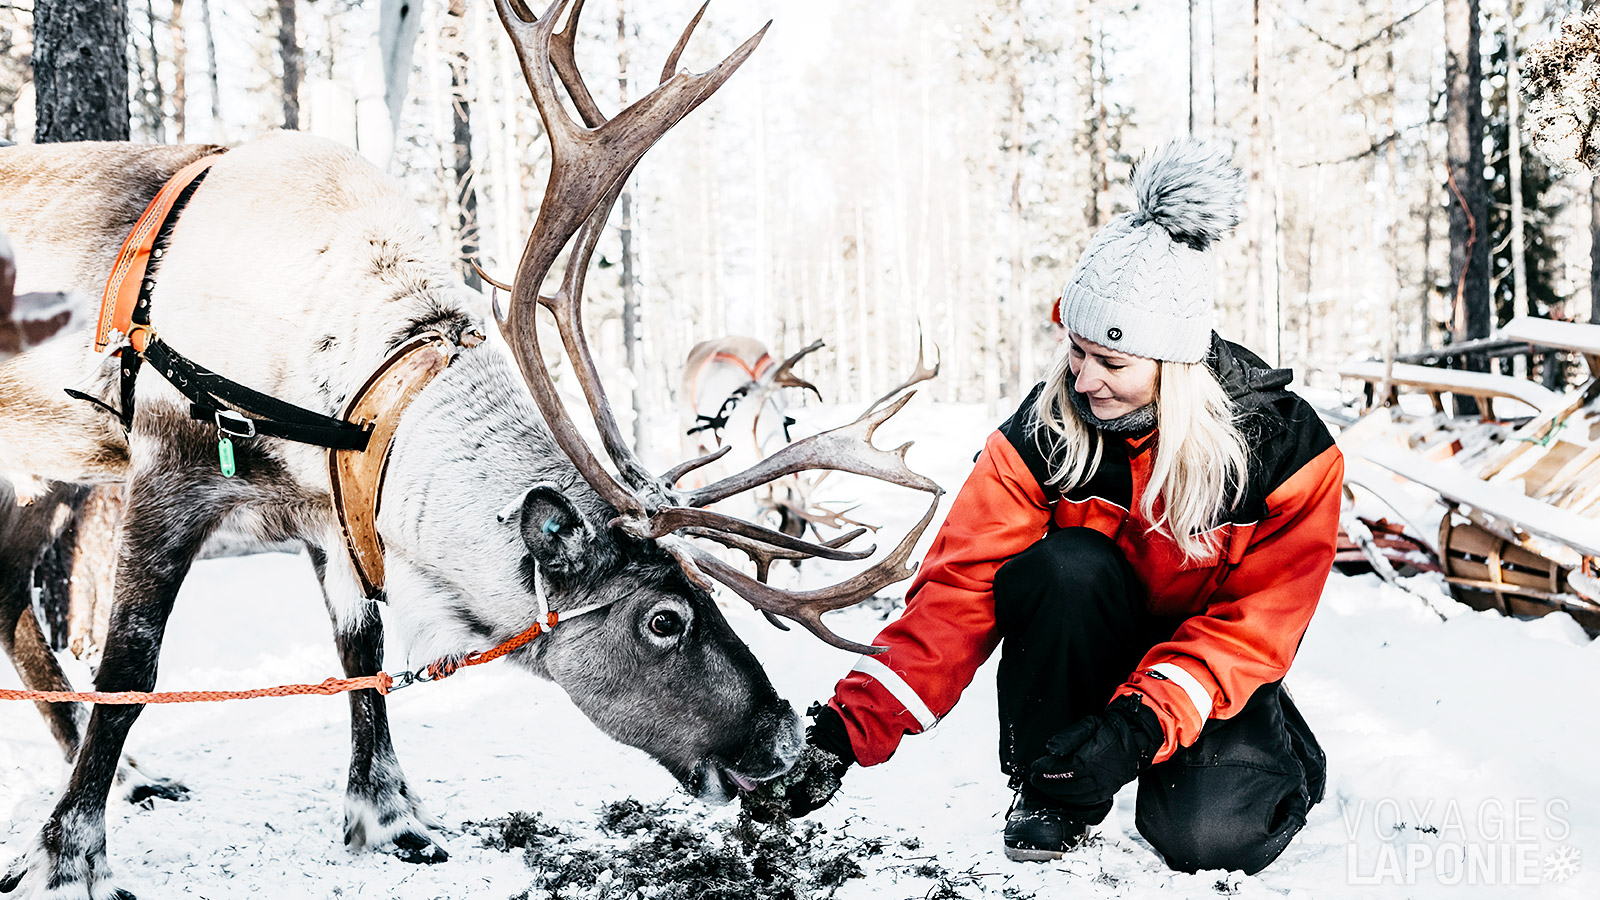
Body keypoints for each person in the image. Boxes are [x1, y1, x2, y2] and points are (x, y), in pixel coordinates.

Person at [746, 139, 1343, 876]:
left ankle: (1274, 751)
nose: (1085, 378)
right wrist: (842, 734)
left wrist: (1134, 726)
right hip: (1087, 643)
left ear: (1175, 364)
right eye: (1076, 350)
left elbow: (1257, 625)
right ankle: (1052, 789)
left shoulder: (1285, 448)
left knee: (1208, 839)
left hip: (1206, 666)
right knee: (1064, 567)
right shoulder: (1044, 433)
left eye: (1113, 362)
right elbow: (955, 594)